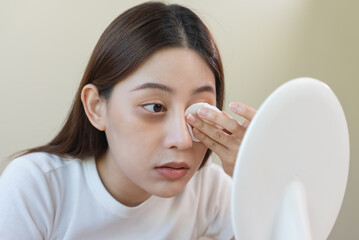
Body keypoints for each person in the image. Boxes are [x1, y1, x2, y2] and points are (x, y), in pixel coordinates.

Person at [0, 2, 256, 239]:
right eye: (155, 107)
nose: (182, 139)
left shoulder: (207, 188)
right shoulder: (37, 187)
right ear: (96, 107)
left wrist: (262, 176)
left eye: (198, 111)